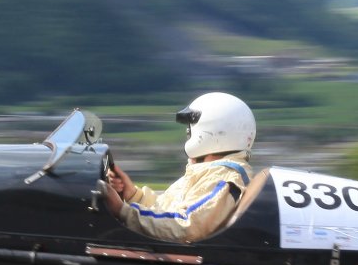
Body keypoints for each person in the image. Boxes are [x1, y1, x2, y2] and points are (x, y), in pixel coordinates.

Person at [103, 92, 255, 243]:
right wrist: (133, 195)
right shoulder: (207, 172)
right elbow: (167, 210)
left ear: (211, 132)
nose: (187, 134)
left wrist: (122, 211)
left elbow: (185, 225)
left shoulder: (225, 179)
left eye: (190, 130)